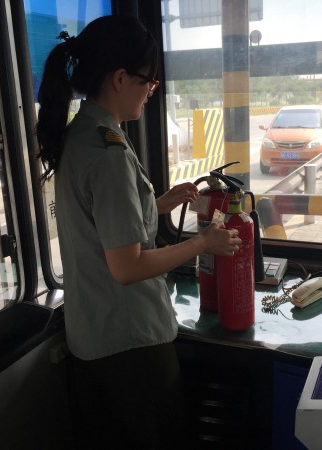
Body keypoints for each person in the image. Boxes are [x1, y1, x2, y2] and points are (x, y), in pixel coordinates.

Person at [35, 15, 241, 449]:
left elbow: (102, 223)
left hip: (95, 334)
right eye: (148, 81)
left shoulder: (83, 135)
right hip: (129, 343)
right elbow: (127, 267)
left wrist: (159, 203)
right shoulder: (108, 153)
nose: (152, 90)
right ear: (120, 78)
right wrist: (203, 242)